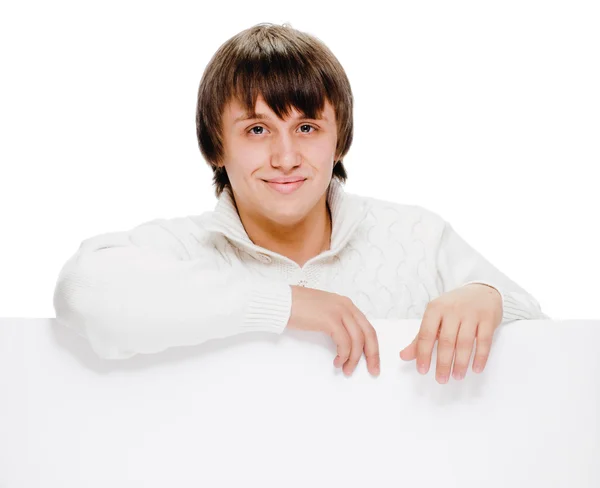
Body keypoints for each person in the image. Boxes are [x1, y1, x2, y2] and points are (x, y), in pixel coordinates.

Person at [53, 22, 549, 384]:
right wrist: (285, 305)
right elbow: (83, 290)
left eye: (307, 128)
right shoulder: (184, 246)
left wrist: (489, 296)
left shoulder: (416, 237)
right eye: (256, 129)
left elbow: (550, 347)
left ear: (340, 141)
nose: (285, 157)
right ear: (216, 147)